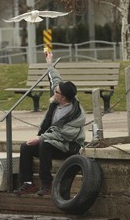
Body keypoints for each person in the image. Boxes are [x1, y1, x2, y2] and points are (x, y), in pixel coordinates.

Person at [14, 51, 86, 196]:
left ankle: (47, 185)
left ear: (64, 97)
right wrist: (49, 62)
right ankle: (27, 183)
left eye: (57, 92)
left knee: (44, 145)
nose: (54, 92)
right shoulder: (58, 100)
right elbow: (55, 79)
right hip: (52, 141)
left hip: (68, 146)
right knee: (25, 147)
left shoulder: (76, 115)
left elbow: (60, 134)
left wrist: (41, 138)